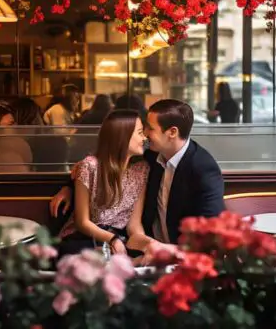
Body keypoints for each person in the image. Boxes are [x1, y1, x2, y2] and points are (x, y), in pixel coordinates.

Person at [50, 99, 225, 250]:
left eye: (149, 129)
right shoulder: (152, 153)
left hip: (177, 251)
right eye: (143, 130)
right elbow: (106, 161)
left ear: (172, 132)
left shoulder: (203, 169)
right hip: (133, 243)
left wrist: (163, 251)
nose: (146, 135)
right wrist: (69, 186)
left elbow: (210, 231)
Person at [57, 109, 148, 257]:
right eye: (139, 132)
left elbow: (134, 225)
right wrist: (112, 240)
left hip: (117, 240)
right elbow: (82, 222)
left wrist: (146, 245)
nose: (144, 138)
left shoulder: (142, 169)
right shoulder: (90, 166)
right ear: (122, 136)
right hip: (84, 238)